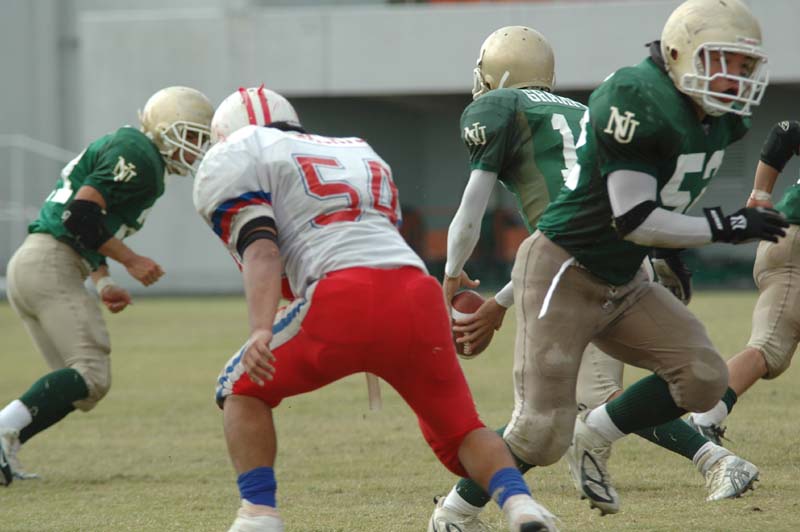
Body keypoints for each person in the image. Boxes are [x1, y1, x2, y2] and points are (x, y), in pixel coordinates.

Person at [429, 16, 765, 529]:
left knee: (682, 380)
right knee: (553, 424)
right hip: (593, 259)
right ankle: (458, 511)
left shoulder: (498, 107)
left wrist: (452, 274)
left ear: (497, 74)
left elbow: (476, 213)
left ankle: (693, 455)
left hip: (595, 262)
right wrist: (499, 304)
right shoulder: (586, 109)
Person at [193, 86, 558, 532]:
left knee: (240, 388)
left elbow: (262, 249)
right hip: (415, 292)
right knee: (462, 431)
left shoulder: (244, 152)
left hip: (343, 297)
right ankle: (521, 506)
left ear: (230, 136)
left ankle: (259, 515)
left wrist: (260, 329)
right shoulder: (356, 150)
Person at [0, 86, 213, 486]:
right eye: (192, 135)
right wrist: (131, 259)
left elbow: (88, 227)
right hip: (51, 263)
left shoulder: (135, 152)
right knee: (91, 374)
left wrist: (103, 281)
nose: (196, 148)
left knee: (77, 384)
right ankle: (2, 430)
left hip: (35, 264)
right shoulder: (139, 153)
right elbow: (79, 215)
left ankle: (6, 447)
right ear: (165, 129)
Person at [686, 120, 800, 441]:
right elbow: (787, 131)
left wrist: (760, 195)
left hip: (788, 240)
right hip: (794, 244)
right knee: (770, 345)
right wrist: (759, 197)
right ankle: (705, 416)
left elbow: (785, 133)